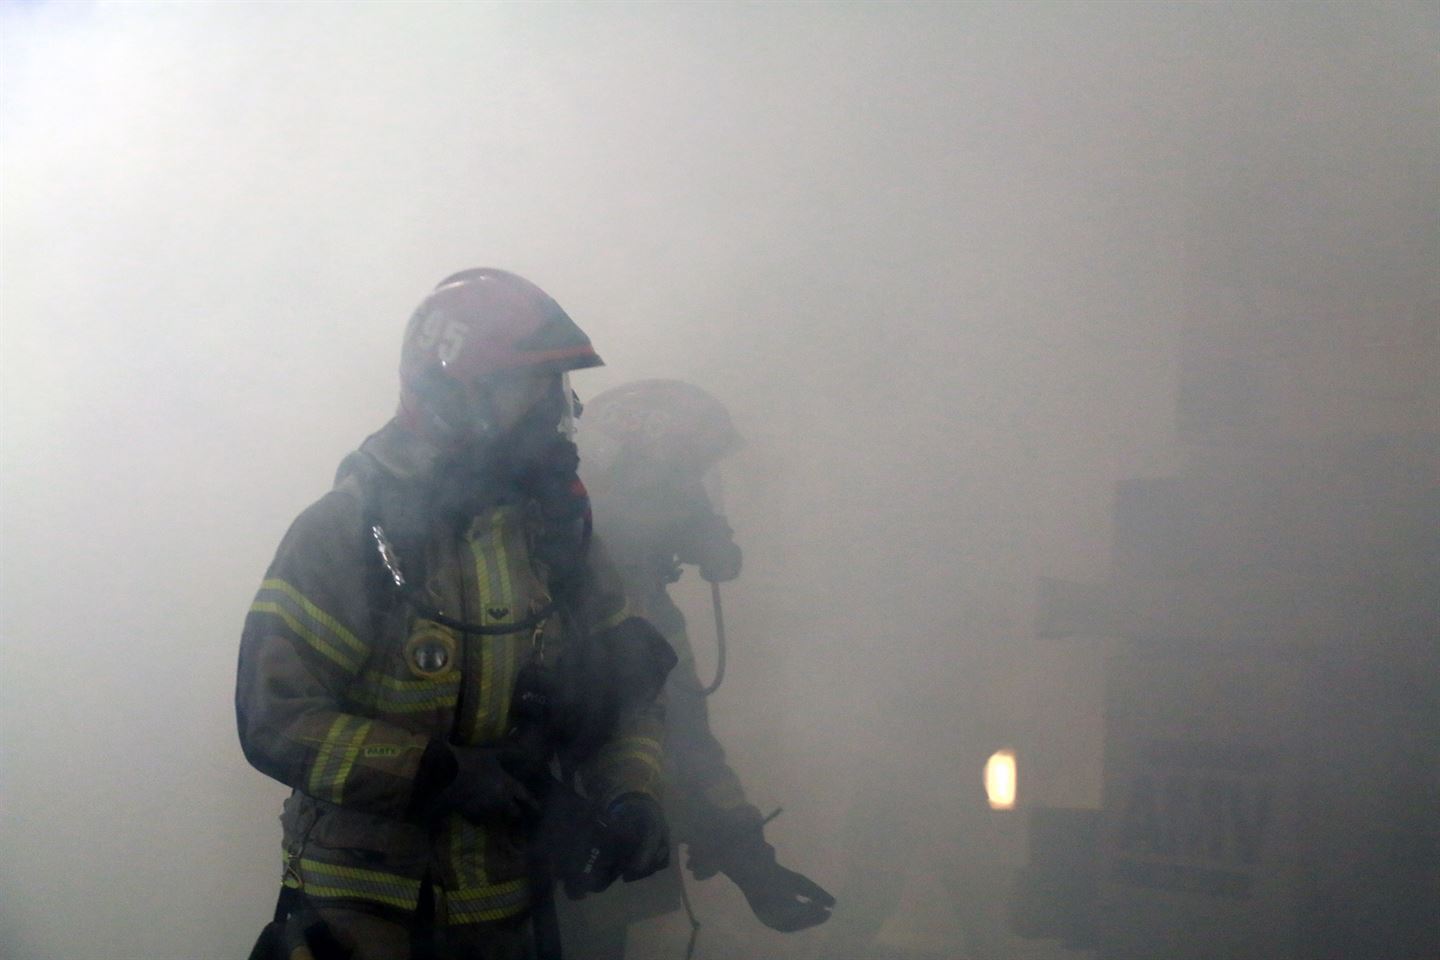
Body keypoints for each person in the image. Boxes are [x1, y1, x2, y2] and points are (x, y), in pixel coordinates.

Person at [236, 269, 674, 960]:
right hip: (360, 918)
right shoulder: (349, 533)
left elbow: (622, 694)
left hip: (506, 917)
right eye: (525, 396)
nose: (552, 419)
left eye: (554, 395)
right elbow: (275, 717)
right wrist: (435, 773)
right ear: (450, 396)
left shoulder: (561, 540)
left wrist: (631, 795)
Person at [560, 379, 835, 959]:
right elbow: (683, 745)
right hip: (545, 880)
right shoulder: (594, 604)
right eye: (685, 483)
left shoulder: (632, 603)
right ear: (636, 486)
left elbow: (687, 747)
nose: (705, 510)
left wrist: (747, 855)